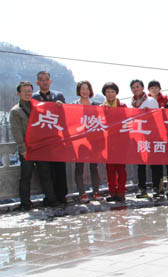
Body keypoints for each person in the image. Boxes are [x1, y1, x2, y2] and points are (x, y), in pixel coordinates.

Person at [10, 81, 57, 210]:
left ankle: (51, 199)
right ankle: (25, 203)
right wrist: (22, 149)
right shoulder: (16, 111)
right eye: (24, 91)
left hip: (40, 147)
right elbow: (16, 132)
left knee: (45, 174)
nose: (27, 93)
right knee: (26, 176)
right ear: (19, 93)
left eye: (29, 91)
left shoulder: (38, 107)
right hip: (27, 148)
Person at [32, 71, 68, 204]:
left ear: (50, 81)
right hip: (42, 140)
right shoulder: (34, 97)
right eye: (41, 80)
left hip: (57, 139)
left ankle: (62, 196)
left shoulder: (58, 96)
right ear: (37, 82)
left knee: (60, 169)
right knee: (45, 171)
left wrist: (61, 107)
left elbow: (67, 115)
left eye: (46, 79)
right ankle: (50, 197)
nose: (44, 82)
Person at [129, 79, 163, 199]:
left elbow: (156, 116)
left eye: (137, 86)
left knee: (155, 163)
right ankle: (142, 188)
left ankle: (157, 188)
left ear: (143, 88)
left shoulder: (151, 100)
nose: (135, 89)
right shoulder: (131, 104)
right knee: (141, 164)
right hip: (139, 136)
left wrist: (146, 113)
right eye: (133, 87)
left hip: (152, 135)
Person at [72, 81, 102, 202]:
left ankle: (96, 192)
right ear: (79, 91)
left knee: (94, 167)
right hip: (79, 141)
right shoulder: (73, 106)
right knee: (79, 167)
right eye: (82, 89)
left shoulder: (96, 105)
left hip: (94, 140)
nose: (85, 91)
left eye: (87, 89)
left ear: (90, 91)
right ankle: (82, 193)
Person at [102, 82, 127, 202]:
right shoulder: (101, 107)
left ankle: (121, 192)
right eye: (108, 92)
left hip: (121, 141)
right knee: (110, 169)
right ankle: (112, 192)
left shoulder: (122, 106)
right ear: (104, 93)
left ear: (116, 93)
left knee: (121, 168)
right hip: (108, 142)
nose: (110, 94)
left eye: (112, 91)